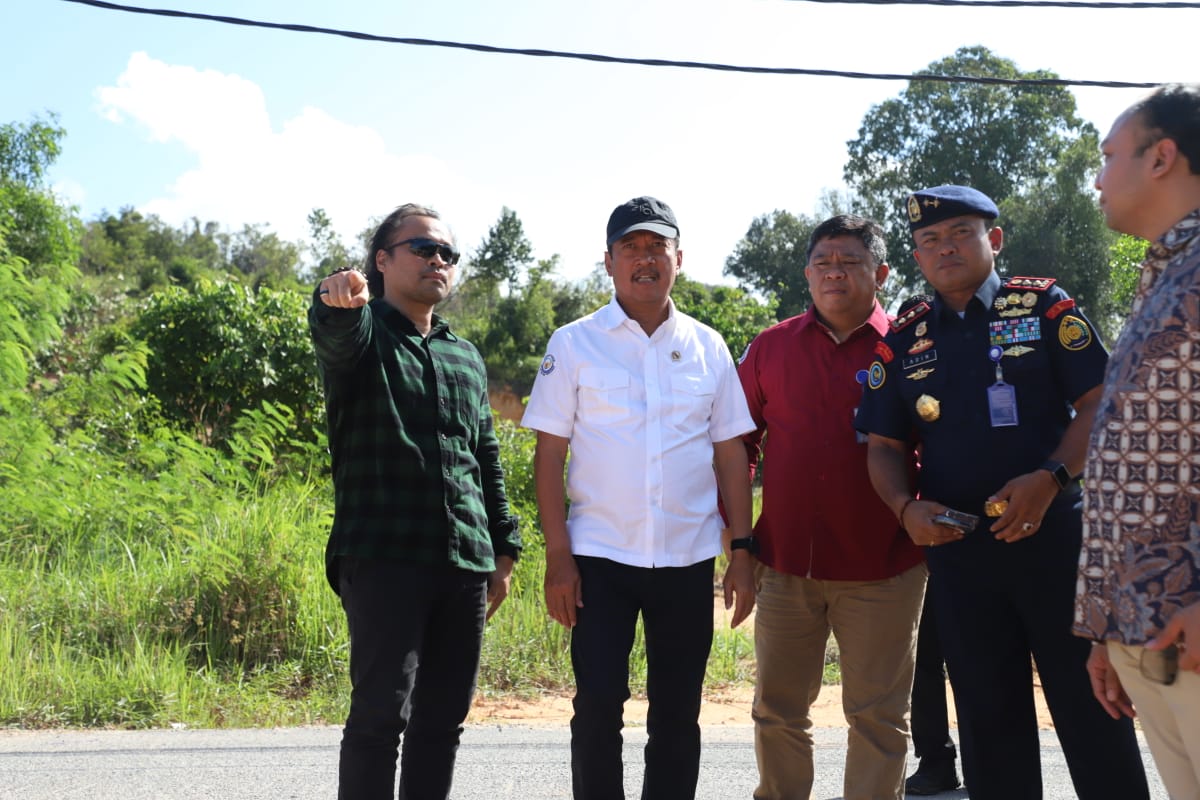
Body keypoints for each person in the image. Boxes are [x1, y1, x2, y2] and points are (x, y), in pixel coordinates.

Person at [854, 184, 1150, 799]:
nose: (945, 249)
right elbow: (881, 445)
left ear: (994, 239)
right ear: (916, 255)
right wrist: (904, 509)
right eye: (930, 241)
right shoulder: (905, 337)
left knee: (1093, 709)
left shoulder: (1044, 309)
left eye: (960, 233)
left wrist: (1051, 479)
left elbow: (1100, 404)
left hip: (1055, 543)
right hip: (962, 557)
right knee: (990, 726)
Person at [521, 196, 757, 800]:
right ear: (608, 261)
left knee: (677, 713)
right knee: (597, 706)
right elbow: (549, 455)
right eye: (632, 247)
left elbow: (732, 455)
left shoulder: (709, 346)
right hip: (599, 558)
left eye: (658, 247)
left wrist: (743, 551)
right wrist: (558, 556)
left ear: (680, 258)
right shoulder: (574, 343)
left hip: (687, 557)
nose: (645, 259)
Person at [309, 203, 522, 799]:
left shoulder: (464, 356)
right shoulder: (364, 331)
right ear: (383, 260)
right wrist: (332, 301)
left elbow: (485, 456)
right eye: (423, 248)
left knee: (442, 723)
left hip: (464, 564)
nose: (438, 260)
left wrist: (503, 549)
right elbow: (334, 334)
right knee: (380, 717)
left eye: (448, 253)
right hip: (384, 556)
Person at [736, 214, 925, 800]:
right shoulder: (771, 347)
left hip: (885, 569)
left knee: (878, 718)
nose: (834, 273)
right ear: (807, 273)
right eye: (823, 262)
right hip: (786, 565)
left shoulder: (911, 348)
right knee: (777, 711)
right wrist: (740, 543)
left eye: (849, 261)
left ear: (882, 273)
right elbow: (738, 444)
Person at [1076, 83, 1200, 799]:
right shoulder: (1161, 278)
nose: (1098, 175)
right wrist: (1107, 628)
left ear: (1162, 157)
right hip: (1144, 633)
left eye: (1109, 154)